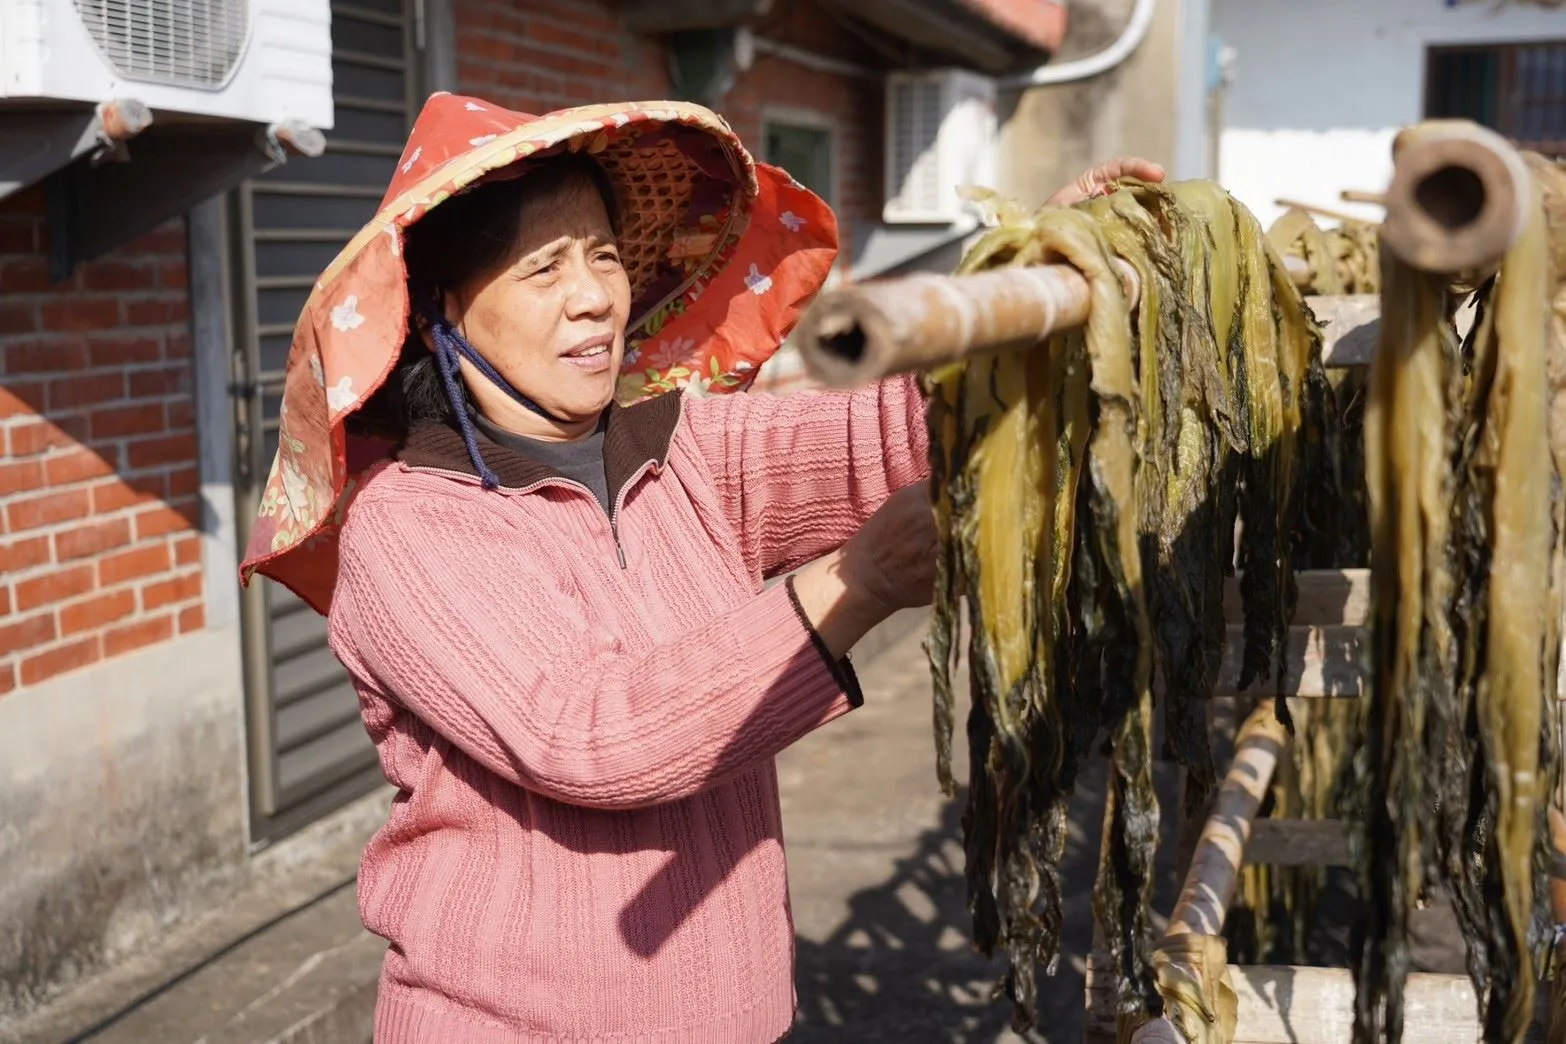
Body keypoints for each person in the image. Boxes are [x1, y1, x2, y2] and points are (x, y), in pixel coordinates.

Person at [239, 92, 1164, 1043]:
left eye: (602, 253)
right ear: (444, 311)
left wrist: (1034, 277)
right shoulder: (411, 525)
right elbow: (590, 735)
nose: (595, 294)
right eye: (544, 267)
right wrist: (859, 584)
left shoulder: (680, 449)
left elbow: (885, 435)